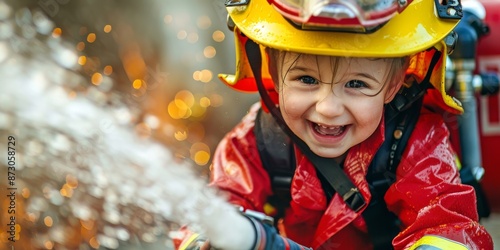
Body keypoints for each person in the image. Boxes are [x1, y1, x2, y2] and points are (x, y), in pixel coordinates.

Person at [175, 0, 494, 249]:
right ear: (271, 68)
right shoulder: (257, 140)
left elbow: (449, 227)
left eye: (356, 84)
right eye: (306, 79)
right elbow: (218, 203)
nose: (328, 108)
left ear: (395, 84)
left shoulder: (416, 142)